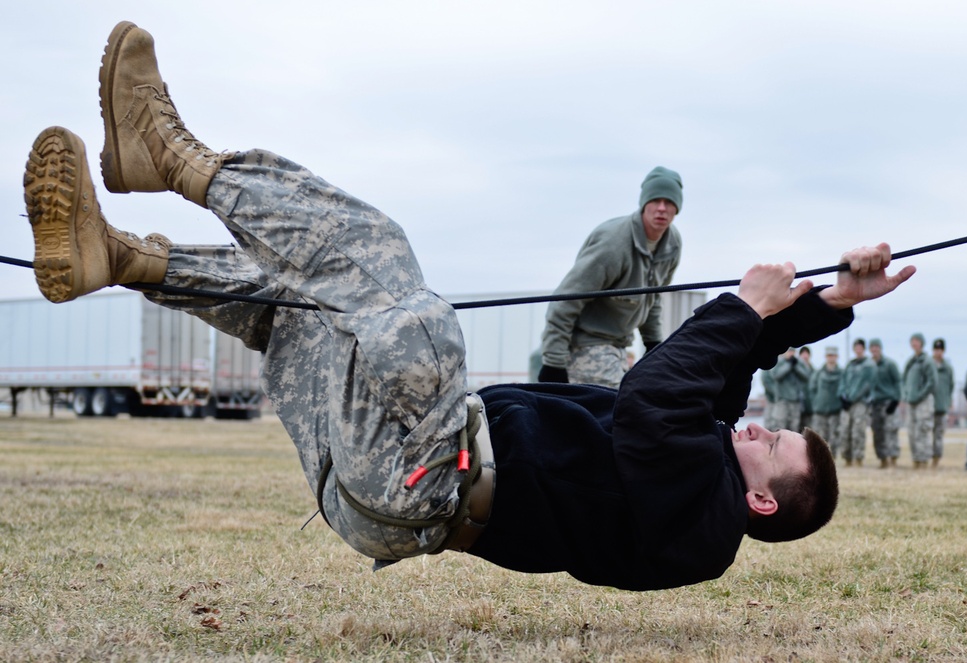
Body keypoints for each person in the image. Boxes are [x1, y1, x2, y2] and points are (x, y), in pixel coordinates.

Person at [22, 21, 915, 592]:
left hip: (424, 476)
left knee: (403, 294)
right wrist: (833, 298)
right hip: (388, 477)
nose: (755, 429)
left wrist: (740, 305)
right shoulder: (708, 472)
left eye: (771, 445)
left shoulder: (707, 521)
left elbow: (657, 399)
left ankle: (174, 159)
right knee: (308, 306)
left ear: (762, 503)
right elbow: (720, 375)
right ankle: (123, 258)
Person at [537, 167, 683, 387]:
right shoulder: (613, 244)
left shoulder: (671, 244)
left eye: (669, 202)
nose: (662, 209)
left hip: (619, 347)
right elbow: (565, 300)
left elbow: (652, 299)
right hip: (585, 344)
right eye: (655, 200)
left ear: (677, 207)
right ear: (644, 203)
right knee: (612, 409)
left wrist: (654, 345)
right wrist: (553, 364)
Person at [838, 339, 876, 466]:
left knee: (857, 431)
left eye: (860, 348)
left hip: (860, 403)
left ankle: (858, 458)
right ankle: (847, 458)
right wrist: (842, 396)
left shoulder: (869, 365)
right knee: (845, 430)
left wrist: (852, 398)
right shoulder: (850, 365)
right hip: (847, 403)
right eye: (856, 348)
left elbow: (866, 385)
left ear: (863, 349)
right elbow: (843, 381)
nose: (858, 350)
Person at [902, 333, 937, 469]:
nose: (914, 344)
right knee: (912, 431)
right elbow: (904, 380)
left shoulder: (927, 361)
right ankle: (916, 459)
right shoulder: (911, 361)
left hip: (923, 402)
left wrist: (920, 395)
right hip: (911, 402)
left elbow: (932, 382)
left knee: (923, 430)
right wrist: (907, 394)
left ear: (922, 343)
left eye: (916, 341)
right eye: (912, 341)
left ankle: (924, 460)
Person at [868, 338, 902, 469]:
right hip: (875, 403)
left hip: (888, 402)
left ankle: (893, 458)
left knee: (890, 431)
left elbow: (898, 382)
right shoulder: (869, 365)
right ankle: (882, 459)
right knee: (877, 432)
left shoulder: (889, 364)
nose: (874, 349)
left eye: (876, 347)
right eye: (872, 347)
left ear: (880, 348)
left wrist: (896, 400)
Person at [809, 346, 844, 458]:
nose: (831, 358)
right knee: (820, 436)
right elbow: (812, 388)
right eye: (829, 355)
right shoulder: (818, 373)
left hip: (835, 410)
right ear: (825, 357)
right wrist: (817, 401)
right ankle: (821, 458)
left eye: (833, 355)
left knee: (835, 435)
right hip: (820, 410)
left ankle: (833, 458)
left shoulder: (842, 373)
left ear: (837, 357)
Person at [766, 348, 811, 432]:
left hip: (795, 401)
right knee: (779, 426)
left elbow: (806, 376)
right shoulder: (779, 362)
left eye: (793, 351)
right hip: (782, 400)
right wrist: (789, 366)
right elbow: (775, 375)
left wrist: (796, 366)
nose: (791, 353)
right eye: (789, 351)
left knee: (794, 427)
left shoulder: (798, 363)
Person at [930, 338, 954, 468]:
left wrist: (949, 401)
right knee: (927, 433)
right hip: (928, 405)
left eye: (940, 349)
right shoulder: (928, 365)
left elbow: (951, 386)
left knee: (938, 434)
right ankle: (925, 458)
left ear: (943, 351)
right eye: (936, 349)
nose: (938, 352)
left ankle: (936, 459)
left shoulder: (947, 368)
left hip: (941, 405)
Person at [798, 346, 815, 431]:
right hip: (798, 403)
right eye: (803, 354)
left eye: (806, 354)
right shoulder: (795, 369)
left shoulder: (813, 370)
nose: (805, 356)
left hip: (809, 405)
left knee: (808, 429)